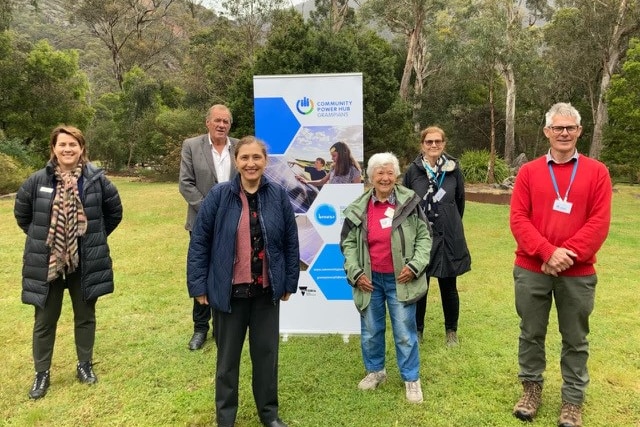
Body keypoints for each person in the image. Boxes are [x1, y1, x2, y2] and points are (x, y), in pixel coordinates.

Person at [510, 103, 612, 427]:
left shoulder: (598, 172)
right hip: (531, 269)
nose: (564, 133)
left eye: (570, 128)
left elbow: (599, 223)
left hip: (577, 273)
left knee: (576, 339)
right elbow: (518, 219)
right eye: (558, 128)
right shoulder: (529, 172)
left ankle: (572, 402)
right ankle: (530, 391)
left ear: (579, 131)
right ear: (547, 132)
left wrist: (563, 254)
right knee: (530, 333)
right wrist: (546, 252)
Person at [187, 136, 299, 427]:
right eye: (245, 158)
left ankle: (269, 415)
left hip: (265, 293)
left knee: (266, 358)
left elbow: (290, 241)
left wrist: (288, 281)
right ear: (236, 161)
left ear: (265, 161)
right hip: (228, 294)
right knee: (226, 363)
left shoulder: (277, 196)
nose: (251, 164)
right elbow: (200, 242)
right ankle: (225, 418)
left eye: (257, 158)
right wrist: (198, 287)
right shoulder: (218, 196)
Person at [13, 125, 123, 400]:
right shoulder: (37, 181)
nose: (67, 149)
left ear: (82, 148)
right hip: (48, 261)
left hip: (84, 261)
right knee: (45, 319)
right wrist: (50, 240)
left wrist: (88, 238)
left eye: (73, 144)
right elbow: (24, 215)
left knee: (85, 316)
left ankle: (84, 366)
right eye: (62, 144)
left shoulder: (96, 180)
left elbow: (114, 213)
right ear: (53, 148)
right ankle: (42, 373)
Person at [340, 152, 431, 404]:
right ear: (370, 177)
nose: (385, 177)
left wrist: (414, 266)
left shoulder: (410, 202)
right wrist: (356, 273)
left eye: (390, 172)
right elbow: (347, 244)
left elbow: (425, 237)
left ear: (397, 176)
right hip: (369, 281)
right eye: (379, 172)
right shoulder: (360, 207)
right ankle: (376, 372)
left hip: (400, 280)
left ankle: (411, 379)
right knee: (370, 330)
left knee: (404, 331)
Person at [403, 126, 471, 347]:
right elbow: (405, 204)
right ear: (422, 145)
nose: (434, 145)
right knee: (420, 286)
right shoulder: (413, 171)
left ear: (444, 144)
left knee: (449, 287)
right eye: (429, 142)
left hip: (448, 236)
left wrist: (447, 220)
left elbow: (459, 203)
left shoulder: (453, 169)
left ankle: (451, 331)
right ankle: (418, 330)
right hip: (421, 238)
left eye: (438, 142)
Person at [179, 104, 238, 351]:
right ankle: (200, 328)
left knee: (230, 270)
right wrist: (210, 210)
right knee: (202, 271)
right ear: (207, 123)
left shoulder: (239, 147)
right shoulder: (191, 146)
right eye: (217, 120)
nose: (221, 125)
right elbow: (186, 183)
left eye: (226, 121)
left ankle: (224, 327)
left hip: (235, 221)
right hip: (202, 221)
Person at [296, 141, 361, 186]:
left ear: (343, 155)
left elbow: (356, 193)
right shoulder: (334, 168)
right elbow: (322, 181)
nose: (332, 158)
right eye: (331, 156)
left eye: (334, 156)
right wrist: (307, 181)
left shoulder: (354, 170)